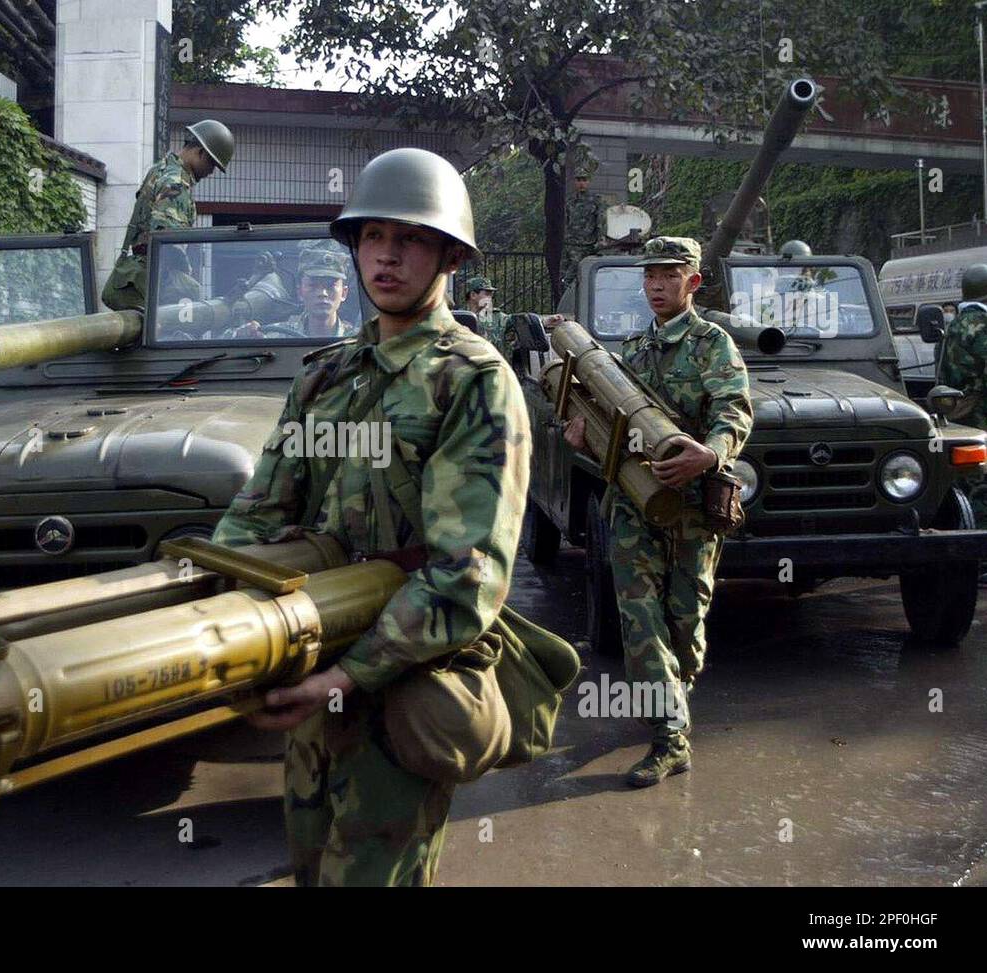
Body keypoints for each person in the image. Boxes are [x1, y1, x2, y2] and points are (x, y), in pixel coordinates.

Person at [211, 147, 529, 885]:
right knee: (308, 866)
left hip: (400, 687)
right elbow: (256, 514)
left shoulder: (473, 383)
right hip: (313, 676)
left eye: (410, 238)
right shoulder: (325, 376)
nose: (385, 256)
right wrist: (212, 611)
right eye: (372, 236)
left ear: (449, 254)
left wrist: (350, 675)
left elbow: (465, 574)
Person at [564, 236, 752, 787]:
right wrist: (580, 438)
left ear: (693, 282)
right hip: (632, 503)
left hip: (695, 508)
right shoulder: (630, 353)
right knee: (640, 620)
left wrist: (709, 453)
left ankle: (672, 696)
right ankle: (670, 738)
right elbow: (605, 424)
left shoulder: (712, 345)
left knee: (685, 621)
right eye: (649, 277)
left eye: (668, 276)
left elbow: (735, 412)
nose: (656, 286)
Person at [101, 120, 235, 312]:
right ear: (200, 153)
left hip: (139, 274)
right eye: (212, 163)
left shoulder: (160, 169)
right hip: (156, 280)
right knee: (193, 296)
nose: (211, 171)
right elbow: (168, 242)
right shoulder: (176, 183)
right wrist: (184, 279)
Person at [938, 263, 987, 583]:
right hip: (981, 411)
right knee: (982, 483)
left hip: (958, 412)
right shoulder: (981, 326)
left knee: (966, 481)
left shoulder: (957, 323)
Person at [234, 243, 357, 339]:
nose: (322, 293)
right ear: (300, 292)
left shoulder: (357, 341)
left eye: (330, 286)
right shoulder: (277, 336)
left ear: (344, 293)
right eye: (313, 286)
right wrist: (243, 335)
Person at [562, 168, 603, 290]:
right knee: (564, 277)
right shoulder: (570, 201)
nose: (581, 183)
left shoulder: (595, 200)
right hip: (570, 244)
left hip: (586, 245)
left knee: (574, 276)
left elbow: (600, 222)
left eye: (584, 180)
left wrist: (599, 242)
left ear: (588, 182)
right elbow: (566, 221)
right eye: (579, 180)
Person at [463, 274, 506, 349]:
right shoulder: (459, 317)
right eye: (487, 294)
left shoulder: (499, 318)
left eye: (491, 294)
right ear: (473, 295)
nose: (490, 297)